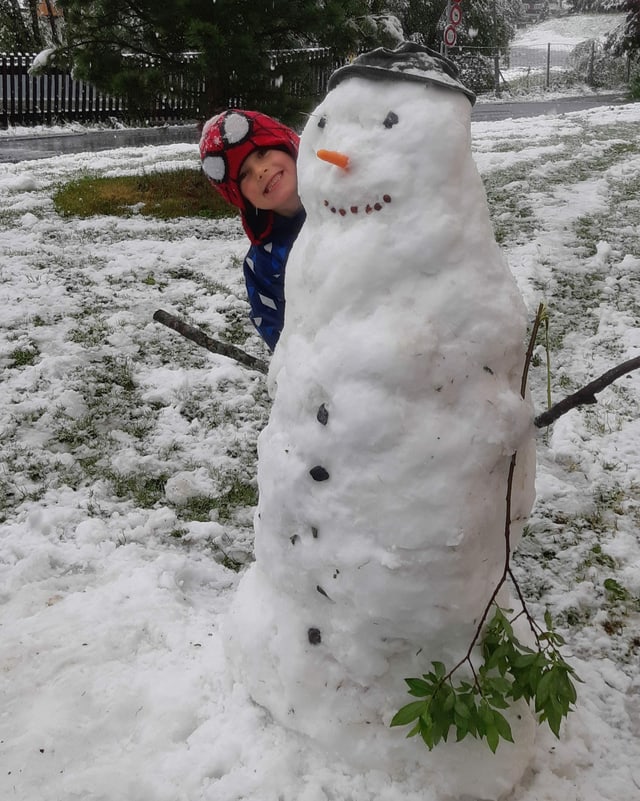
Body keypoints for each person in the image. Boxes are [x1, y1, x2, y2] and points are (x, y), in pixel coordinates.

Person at [199, 110, 305, 351]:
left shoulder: (349, 200)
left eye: (262, 152)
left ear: (288, 145)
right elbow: (280, 337)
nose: (260, 171)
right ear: (242, 199)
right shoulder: (264, 264)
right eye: (244, 174)